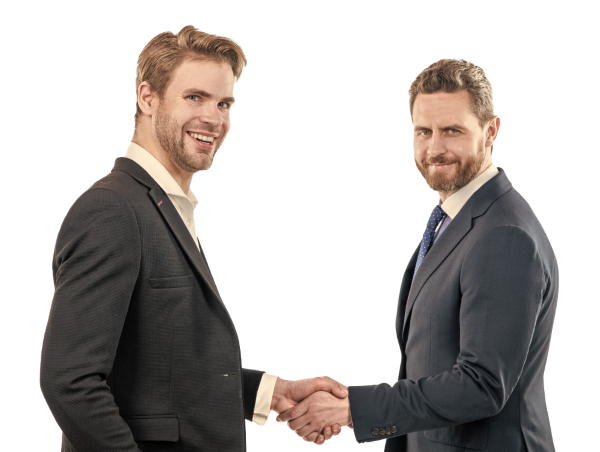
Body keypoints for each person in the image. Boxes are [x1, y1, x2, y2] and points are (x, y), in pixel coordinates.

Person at [39, 25, 347, 451]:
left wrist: (272, 394)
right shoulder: (113, 210)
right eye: (195, 97)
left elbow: (161, 371)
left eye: (224, 103)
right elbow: (68, 380)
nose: (214, 119)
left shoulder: (165, 206)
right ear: (147, 98)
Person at [277, 58, 558, 451]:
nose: (435, 149)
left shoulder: (504, 234)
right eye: (423, 131)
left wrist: (352, 409)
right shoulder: (452, 219)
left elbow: (482, 385)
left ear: (491, 131)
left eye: (452, 131)